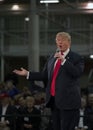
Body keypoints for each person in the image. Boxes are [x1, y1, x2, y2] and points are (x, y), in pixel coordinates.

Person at [13, 32, 85, 130]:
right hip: (54, 101)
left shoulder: (77, 57)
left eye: (62, 40)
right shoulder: (52, 57)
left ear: (69, 42)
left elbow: (77, 73)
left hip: (68, 103)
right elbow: (44, 75)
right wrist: (28, 74)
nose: (60, 42)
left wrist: (64, 61)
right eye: (58, 40)